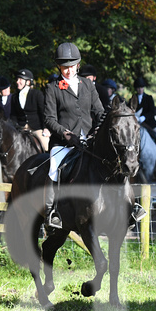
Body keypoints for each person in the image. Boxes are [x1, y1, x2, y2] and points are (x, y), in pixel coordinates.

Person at [43, 42, 105, 228]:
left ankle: (128, 206)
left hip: (89, 141)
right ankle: (52, 211)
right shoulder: (52, 88)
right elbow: (49, 118)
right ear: (59, 67)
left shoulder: (87, 85)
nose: (68, 70)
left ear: (77, 65)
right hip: (64, 142)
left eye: (71, 66)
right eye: (64, 67)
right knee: (55, 168)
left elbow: (100, 112)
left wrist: (97, 131)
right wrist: (65, 134)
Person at [10, 68, 50, 151]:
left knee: (46, 146)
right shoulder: (14, 97)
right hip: (21, 129)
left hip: (36, 128)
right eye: (17, 79)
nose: (17, 81)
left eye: (20, 79)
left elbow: (43, 112)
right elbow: (13, 115)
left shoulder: (37, 94)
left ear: (28, 82)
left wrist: (45, 128)